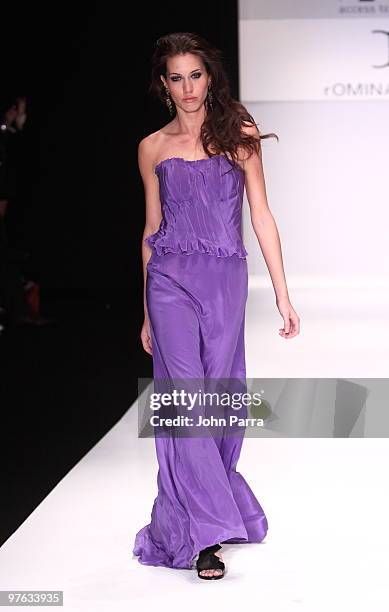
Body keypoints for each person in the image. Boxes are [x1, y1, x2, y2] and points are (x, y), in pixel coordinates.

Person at [133, 32, 300, 580]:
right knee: (184, 400)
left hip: (225, 281)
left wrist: (281, 291)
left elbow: (262, 215)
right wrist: (145, 309)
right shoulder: (152, 147)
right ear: (163, 85)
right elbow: (152, 230)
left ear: (210, 78)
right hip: (169, 284)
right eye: (176, 77)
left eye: (195, 75)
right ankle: (208, 536)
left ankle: (206, 505)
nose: (187, 87)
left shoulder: (239, 136)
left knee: (220, 398)